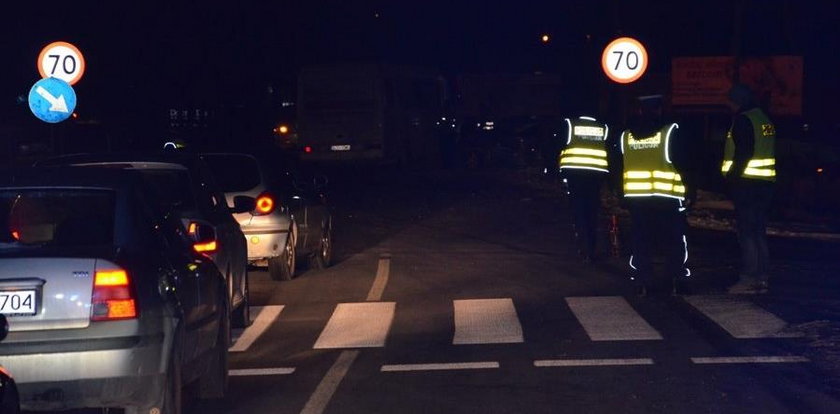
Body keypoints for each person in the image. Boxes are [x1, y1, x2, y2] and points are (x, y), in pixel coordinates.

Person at [618, 95, 693, 295]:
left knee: (641, 239)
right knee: (674, 239)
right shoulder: (670, 132)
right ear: (659, 109)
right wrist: (690, 190)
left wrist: (621, 194)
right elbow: (684, 165)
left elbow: (619, 166)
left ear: (640, 110)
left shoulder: (626, 135)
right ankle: (677, 278)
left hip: (637, 198)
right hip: (668, 197)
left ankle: (642, 280)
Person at [723, 84, 776, 294]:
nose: (727, 105)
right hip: (764, 185)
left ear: (738, 101)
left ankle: (748, 279)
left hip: (747, 184)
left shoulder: (744, 120)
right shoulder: (764, 119)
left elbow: (743, 154)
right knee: (758, 232)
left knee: (746, 233)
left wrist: (731, 181)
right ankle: (762, 278)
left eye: (729, 101)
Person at [558, 114, 611, 263]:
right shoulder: (602, 127)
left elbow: (559, 145)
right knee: (591, 211)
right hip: (595, 176)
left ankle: (585, 246)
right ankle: (591, 246)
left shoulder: (570, 124)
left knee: (579, 211)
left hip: (575, 175)